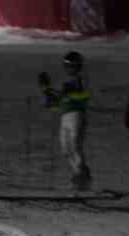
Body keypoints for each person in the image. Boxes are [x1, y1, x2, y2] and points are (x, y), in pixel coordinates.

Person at [40, 49, 92, 191]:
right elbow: (57, 104)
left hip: (76, 114)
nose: (69, 68)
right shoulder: (65, 82)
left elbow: (85, 96)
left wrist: (68, 94)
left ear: (78, 66)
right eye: (67, 66)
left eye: (72, 66)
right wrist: (47, 91)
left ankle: (81, 177)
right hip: (65, 116)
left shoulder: (81, 79)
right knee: (66, 149)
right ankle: (80, 174)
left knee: (75, 146)